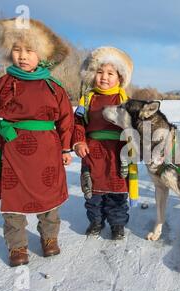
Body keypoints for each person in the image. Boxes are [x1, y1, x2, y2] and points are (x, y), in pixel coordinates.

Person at [0, 18, 74, 267]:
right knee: (13, 199)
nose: (22, 56)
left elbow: (67, 118)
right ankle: (17, 246)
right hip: (13, 151)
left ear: (42, 54)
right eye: (17, 49)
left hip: (47, 151)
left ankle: (49, 238)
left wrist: (66, 147)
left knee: (49, 198)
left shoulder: (53, 86)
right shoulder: (2, 85)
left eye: (29, 50)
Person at [72, 47, 133, 240]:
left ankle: (117, 224)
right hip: (93, 149)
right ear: (92, 74)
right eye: (99, 72)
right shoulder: (88, 99)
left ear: (120, 77)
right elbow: (78, 122)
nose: (104, 77)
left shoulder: (124, 100)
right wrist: (79, 141)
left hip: (118, 152)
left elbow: (134, 126)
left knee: (117, 192)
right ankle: (96, 222)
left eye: (110, 73)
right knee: (93, 191)